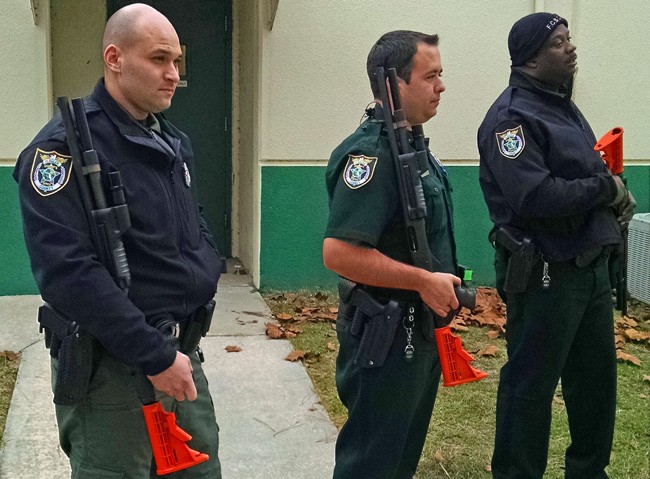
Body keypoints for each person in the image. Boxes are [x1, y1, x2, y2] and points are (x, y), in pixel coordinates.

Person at [14, 4, 223, 478]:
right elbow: (68, 274)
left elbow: (195, 219)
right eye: (158, 59)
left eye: (177, 62)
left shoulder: (168, 139)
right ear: (114, 58)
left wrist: (207, 266)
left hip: (180, 358)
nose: (173, 74)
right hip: (112, 375)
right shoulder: (61, 152)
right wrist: (154, 355)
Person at [477, 12, 636, 479]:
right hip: (546, 272)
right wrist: (605, 190)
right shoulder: (511, 118)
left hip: (588, 270)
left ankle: (588, 472)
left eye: (569, 39)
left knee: (595, 387)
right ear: (529, 58)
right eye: (558, 43)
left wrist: (611, 193)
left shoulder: (562, 106)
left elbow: (582, 176)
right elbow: (535, 196)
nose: (571, 48)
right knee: (530, 388)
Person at [323, 30, 463, 478]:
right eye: (431, 76)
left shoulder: (414, 146)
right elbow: (339, 252)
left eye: (441, 75)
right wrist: (423, 281)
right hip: (384, 336)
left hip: (416, 330)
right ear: (392, 85)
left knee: (398, 459)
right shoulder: (373, 155)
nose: (441, 86)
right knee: (371, 463)